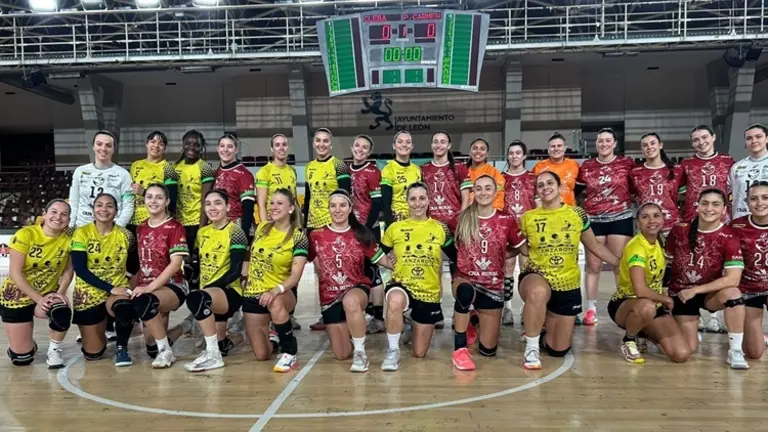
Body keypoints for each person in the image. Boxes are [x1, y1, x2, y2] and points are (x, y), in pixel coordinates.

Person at [518, 172, 620, 370]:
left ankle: (542, 329)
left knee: (558, 350)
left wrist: (619, 262)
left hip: (567, 282)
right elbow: (520, 246)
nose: (545, 187)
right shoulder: (528, 217)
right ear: (536, 191)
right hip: (537, 275)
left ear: (559, 187)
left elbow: (596, 247)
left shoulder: (577, 214)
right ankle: (531, 349)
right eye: (540, 185)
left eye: (550, 183)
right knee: (538, 292)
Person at [308, 190, 392, 372]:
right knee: (341, 354)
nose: (338, 210)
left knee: (351, 301)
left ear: (350, 208)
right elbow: (303, 259)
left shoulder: (361, 234)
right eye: (333, 205)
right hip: (329, 297)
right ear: (328, 209)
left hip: (355, 289)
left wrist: (404, 265)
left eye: (342, 205)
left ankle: (361, 353)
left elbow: (384, 261)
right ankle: (355, 330)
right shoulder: (316, 235)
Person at [451, 175, 526, 370]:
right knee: (465, 293)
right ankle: (459, 349)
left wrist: (502, 252)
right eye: (479, 188)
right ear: (473, 192)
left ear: (495, 192)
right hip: (465, 280)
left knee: (488, 350)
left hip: (493, 286)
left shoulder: (506, 220)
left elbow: (523, 248)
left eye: (488, 188)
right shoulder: (461, 218)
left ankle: (473, 319)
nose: (483, 192)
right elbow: (442, 240)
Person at [666, 189, 747, 369]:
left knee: (733, 294)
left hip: (708, 294)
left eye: (715, 204)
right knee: (685, 351)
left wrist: (695, 290)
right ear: (697, 206)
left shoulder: (729, 235)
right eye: (705, 203)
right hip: (681, 295)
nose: (709, 208)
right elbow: (667, 263)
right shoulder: (679, 230)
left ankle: (735, 351)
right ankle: (680, 329)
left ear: (724, 209)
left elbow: (733, 279)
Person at [380, 182, 457, 371]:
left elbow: (456, 257)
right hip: (401, 284)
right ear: (406, 202)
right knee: (395, 300)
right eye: (412, 199)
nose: (417, 203)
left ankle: (407, 325)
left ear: (429, 200)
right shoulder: (395, 228)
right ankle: (393, 351)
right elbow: (377, 253)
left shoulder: (440, 229)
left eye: (422, 198)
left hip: (428, 291)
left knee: (419, 353)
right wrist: (389, 264)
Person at [607, 202, 691, 364]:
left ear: (663, 219)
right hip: (627, 304)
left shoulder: (661, 242)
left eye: (656, 216)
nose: (651, 220)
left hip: (654, 306)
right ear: (638, 223)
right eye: (645, 217)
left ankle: (644, 332)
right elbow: (640, 290)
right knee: (646, 306)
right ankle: (629, 340)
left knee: (681, 354)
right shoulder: (636, 246)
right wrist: (666, 299)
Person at [1, 200, 74, 368]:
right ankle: (24, 345)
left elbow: (69, 270)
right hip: (17, 296)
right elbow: (15, 273)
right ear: (45, 214)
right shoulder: (26, 234)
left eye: (64, 214)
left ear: (68, 219)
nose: (58, 217)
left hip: (48, 293)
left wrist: (61, 292)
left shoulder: (69, 238)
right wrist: (37, 298)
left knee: (61, 310)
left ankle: (53, 350)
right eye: (54, 212)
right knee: (22, 359)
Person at [242, 188, 308, 372]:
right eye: (271, 203)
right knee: (262, 355)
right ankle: (275, 339)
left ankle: (289, 353)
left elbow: (295, 276)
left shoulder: (298, 237)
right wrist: (244, 276)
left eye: (279, 203)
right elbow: (250, 255)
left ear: (290, 208)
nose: (274, 207)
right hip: (253, 293)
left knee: (276, 302)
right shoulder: (262, 227)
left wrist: (275, 290)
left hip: (280, 293)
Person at [575, 128, 634, 326]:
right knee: (593, 266)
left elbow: (634, 189)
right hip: (594, 218)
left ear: (615, 143)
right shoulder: (588, 166)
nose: (603, 144)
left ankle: (622, 306)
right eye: (600, 141)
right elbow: (580, 192)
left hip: (620, 217)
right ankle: (591, 309)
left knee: (619, 264)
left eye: (608, 140)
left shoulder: (626, 163)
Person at [184, 190, 248, 372]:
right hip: (210, 293)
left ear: (228, 207)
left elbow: (235, 271)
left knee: (196, 299)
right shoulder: (202, 232)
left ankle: (213, 355)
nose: (212, 207)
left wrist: (209, 289)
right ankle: (237, 337)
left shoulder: (236, 232)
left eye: (218, 203)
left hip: (229, 291)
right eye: (208, 204)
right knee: (222, 345)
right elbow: (198, 264)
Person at [71, 194, 136, 366]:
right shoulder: (81, 233)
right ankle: (103, 327)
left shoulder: (126, 235)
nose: (104, 209)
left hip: (117, 288)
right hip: (88, 292)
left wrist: (129, 288)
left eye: (109, 206)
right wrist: (109, 287)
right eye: (99, 205)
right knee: (93, 354)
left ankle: (122, 348)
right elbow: (80, 270)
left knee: (124, 307)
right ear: (93, 210)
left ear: (116, 211)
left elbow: (134, 266)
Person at [681, 125, 735, 334]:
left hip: (721, 222)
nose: (701, 142)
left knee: (718, 266)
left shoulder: (728, 161)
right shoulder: (686, 164)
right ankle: (696, 313)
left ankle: (715, 315)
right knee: (695, 265)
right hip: (694, 222)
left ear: (713, 138)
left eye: (704, 137)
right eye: (696, 140)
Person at [131, 183, 189, 368]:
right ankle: (186, 326)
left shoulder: (175, 227)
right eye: (149, 197)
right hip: (149, 288)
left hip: (173, 285)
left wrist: (149, 288)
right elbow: (143, 264)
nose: (153, 201)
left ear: (167, 201)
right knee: (150, 348)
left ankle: (167, 352)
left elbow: (175, 264)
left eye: (159, 197)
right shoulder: (140, 228)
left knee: (146, 301)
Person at [303, 128, 351, 331]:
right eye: (318, 141)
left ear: (330, 144)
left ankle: (345, 310)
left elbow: (346, 195)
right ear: (313, 144)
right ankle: (326, 312)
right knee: (320, 272)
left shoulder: (338, 165)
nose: (321, 144)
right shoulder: (309, 167)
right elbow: (307, 197)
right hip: (315, 226)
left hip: (333, 225)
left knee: (339, 268)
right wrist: (305, 226)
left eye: (325, 141)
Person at [348, 135, 385, 333]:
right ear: (352, 147)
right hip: (351, 228)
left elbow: (377, 204)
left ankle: (378, 318)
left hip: (368, 229)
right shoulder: (345, 171)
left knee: (373, 271)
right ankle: (366, 312)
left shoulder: (372, 172)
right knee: (358, 271)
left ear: (369, 152)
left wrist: (367, 229)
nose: (360, 149)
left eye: (365, 147)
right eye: (357, 145)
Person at [729, 181, 768, 360]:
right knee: (754, 353)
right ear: (746, 201)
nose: (759, 203)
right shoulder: (736, 227)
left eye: (765, 197)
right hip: (749, 290)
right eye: (754, 199)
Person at [501, 140, 537, 326]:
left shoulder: (533, 178)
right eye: (511, 153)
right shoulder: (501, 178)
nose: (514, 156)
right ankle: (507, 307)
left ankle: (526, 307)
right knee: (507, 269)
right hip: (507, 229)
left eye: (518, 153)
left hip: (527, 229)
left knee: (527, 269)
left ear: (524, 156)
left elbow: (537, 204)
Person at [174, 130, 215, 293]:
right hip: (179, 224)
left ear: (201, 147)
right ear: (182, 145)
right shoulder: (173, 168)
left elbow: (206, 200)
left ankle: (198, 306)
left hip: (197, 224)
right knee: (185, 267)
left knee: (197, 266)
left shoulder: (205, 168)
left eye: (196, 145)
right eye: (188, 143)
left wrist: (201, 229)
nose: (192, 147)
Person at [69, 130, 133, 228]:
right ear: (93, 147)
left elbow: (128, 206)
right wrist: (71, 225)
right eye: (99, 144)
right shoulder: (80, 171)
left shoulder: (123, 174)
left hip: (110, 228)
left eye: (108, 145)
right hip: (83, 227)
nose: (103, 148)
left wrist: (117, 229)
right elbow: (74, 202)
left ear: (113, 149)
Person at [628, 133, 685, 236]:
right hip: (647, 226)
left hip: (671, 225)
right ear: (642, 150)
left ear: (660, 145)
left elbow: (684, 197)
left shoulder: (677, 170)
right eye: (645, 145)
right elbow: (632, 195)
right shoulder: (635, 172)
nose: (649, 147)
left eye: (652, 143)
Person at [421, 131, 471, 232]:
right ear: (431, 145)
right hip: (431, 225)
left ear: (449, 145)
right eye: (435, 142)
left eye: (442, 142)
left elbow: (466, 199)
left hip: (455, 224)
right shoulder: (423, 169)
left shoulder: (460, 167)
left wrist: (460, 221)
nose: (438, 145)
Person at [214, 133, 256, 239]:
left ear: (236, 150)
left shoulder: (243, 174)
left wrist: (243, 234)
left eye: (230, 146)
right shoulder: (215, 173)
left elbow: (248, 207)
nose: (225, 150)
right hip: (217, 228)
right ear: (217, 149)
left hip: (237, 229)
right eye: (222, 146)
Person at [381, 131, 422, 227]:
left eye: (408, 142)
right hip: (397, 221)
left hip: (417, 220)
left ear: (412, 146)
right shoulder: (388, 170)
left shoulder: (417, 170)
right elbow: (385, 203)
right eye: (400, 142)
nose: (404, 144)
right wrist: (390, 227)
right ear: (394, 146)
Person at [730, 124, 768, 220]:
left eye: (758, 137)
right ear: (745, 143)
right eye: (749, 138)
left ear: (767, 139)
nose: (754, 141)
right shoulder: (736, 167)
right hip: (741, 221)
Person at [256, 134, 297, 222]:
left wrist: (299, 225)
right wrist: (265, 227)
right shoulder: (264, 171)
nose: (281, 148)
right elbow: (261, 204)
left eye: (284, 144)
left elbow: (295, 201)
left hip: (291, 224)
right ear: (272, 149)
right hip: (274, 223)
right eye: (277, 145)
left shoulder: (292, 171)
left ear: (288, 147)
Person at [532, 133, 580, 206]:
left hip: (570, 210)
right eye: (553, 146)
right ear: (548, 149)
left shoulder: (574, 165)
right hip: (547, 211)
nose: (556, 149)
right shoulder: (539, 166)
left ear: (565, 148)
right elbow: (532, 190)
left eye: (559, 146)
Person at [466, 138, 504, 210]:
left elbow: (499, 196)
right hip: (467, 215)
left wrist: (492, 215)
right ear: (470, 153)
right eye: (475, 148)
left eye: (482, 149)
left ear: (487, 154)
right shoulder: (463, 172)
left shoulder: (494, 172)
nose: (478, 151)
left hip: (489, 214)